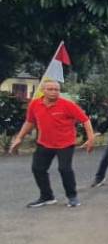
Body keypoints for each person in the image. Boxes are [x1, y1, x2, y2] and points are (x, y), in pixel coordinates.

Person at [10, 80, 96, 208]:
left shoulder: (67, 105)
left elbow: (85, 120)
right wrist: (19, 137)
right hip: (44, 143)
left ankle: (72, 197)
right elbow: (30, 122)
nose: (54, 92)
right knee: (38, 169)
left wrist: (90, 138)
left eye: (56, 89)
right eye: (50, 89)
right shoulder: (35, 104)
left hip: (65, 143)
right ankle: (47, 197)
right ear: (43, 91)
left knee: (64, 169)